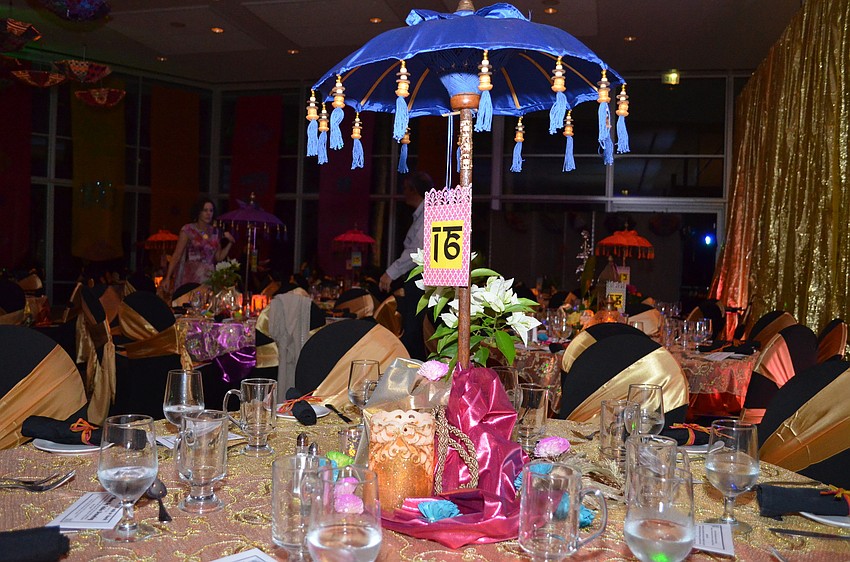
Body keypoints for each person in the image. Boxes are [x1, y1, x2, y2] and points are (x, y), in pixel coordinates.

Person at [379, 171, 432, 360]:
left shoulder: (428, 213)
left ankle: (412, 374)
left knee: (414, 331)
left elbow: (417, 251)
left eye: (405, 188)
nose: (403, 193)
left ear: (414, 190)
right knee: (414, 330)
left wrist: (389, 273)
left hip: (421, 278)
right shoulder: (422, 214)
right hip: (418, 278)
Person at [163, 198, 235, 291]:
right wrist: (168, 277)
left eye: (211, 211)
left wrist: (230, 243)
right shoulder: (188, 229)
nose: (208, 213)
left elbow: (218, 257)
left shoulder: (215, 232)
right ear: (199, 212)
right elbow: (177, 254)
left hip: (209, 277)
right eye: (205, 210)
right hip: (192, 275)